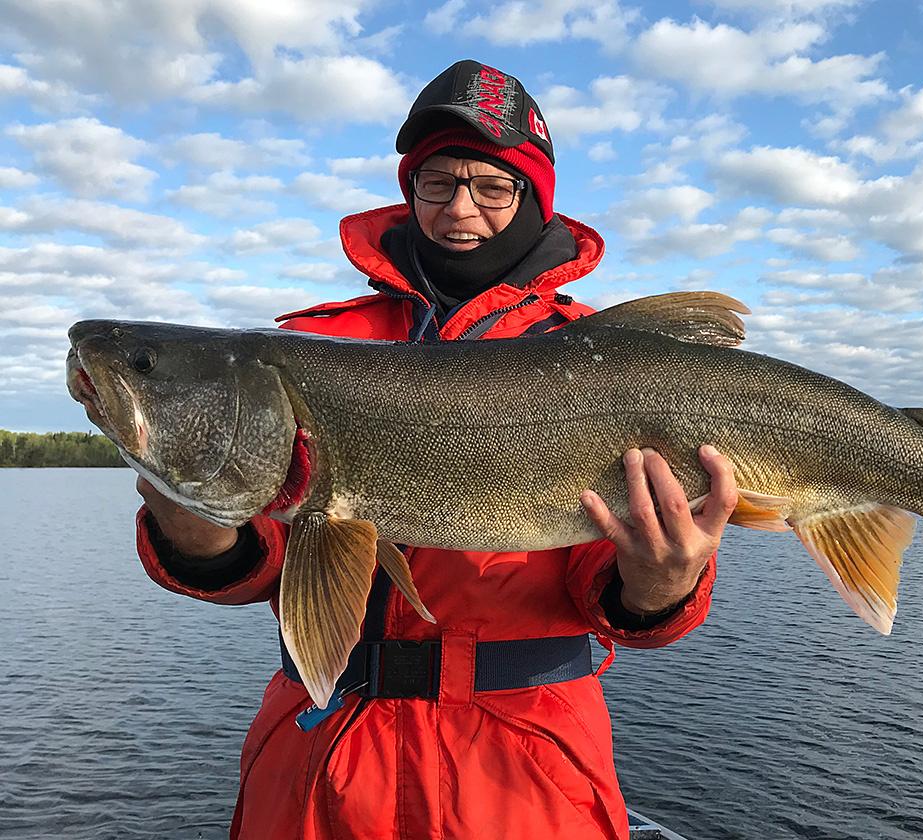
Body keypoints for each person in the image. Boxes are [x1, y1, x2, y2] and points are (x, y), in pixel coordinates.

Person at [135, 59, 737, 840]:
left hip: (523, 777)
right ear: (409, 190)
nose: (460, 207)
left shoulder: (601, 358)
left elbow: (615, 598)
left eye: (493, 186)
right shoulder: (314, 348)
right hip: (318, 770)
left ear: (534, 198)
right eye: (436, 182)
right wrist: (208, 541)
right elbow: (269, 562)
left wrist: (660, 583)